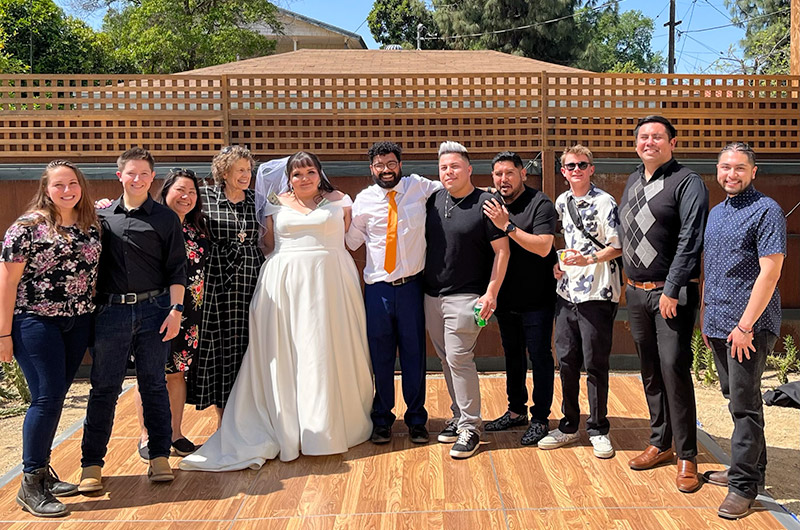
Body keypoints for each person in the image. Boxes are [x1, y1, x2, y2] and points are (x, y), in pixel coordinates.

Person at [179, 152, 373, 471]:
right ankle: (288, 425)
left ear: (319, 173)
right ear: (289, 178)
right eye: (297, 174)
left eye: (310, 171)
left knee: (325, 351)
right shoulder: (274, 202)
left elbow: (352, 240)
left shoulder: (341, 200)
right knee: (288, 353)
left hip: (332, 282)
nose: (305, 178)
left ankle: (336, 424)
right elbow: (267, 244)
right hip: (284, 284)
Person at [79, 147, 186, 492]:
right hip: (111, 313)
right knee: (104, 389)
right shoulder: (102, 217)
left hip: (155, 311)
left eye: (144, 174)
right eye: (131, 173)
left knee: (153, 385)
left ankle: (158, 457)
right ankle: (91, 465)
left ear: (152, 178)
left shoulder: (165, 218)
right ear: (119, 176)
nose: (137, 179)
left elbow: (177, 269)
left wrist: (176, 311)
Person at [0, 161, 101, 517]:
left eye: (73, 183)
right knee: (44, 398)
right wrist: (3, 334)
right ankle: (30, 483)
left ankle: (44, 472)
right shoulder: (26, 229)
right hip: (35, 322)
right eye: (59, 185)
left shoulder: (91, 226)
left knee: (56, 396)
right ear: (46, 189)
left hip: (77, 322)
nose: (67, 190)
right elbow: (7, 283)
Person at [619, 116, 708, 493]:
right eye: (643, 137)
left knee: (674, 369)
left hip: (671, 295)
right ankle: (660, 441)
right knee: (651, 370)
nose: (649, 142)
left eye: (657, 136)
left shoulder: (687, 182)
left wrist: (671, 288)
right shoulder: (634, 179)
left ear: (673, 141)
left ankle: (687, 455)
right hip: (637, 293)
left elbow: (691, 238)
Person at [701, 143, 785, 520]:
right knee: (737, 400)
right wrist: (707, 317)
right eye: (724, 168)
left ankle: (744, 487)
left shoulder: (767, 211)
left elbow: (770, 273)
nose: (730, 175)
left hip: (748, 327)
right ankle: (749, 470)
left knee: (745, 405)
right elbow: (712, 268)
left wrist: (745, 325)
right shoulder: (717, 213)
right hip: (718, 323)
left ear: (754, 171)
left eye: (738, 168)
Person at [346, 141, 442, 445]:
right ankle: (382, 419)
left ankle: (416, 419)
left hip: (412, 287)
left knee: (414, 355)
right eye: (379, 165)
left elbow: (454, 186)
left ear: (400, 164)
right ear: (371, 168)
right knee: (381, 357)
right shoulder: (363, 200)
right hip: (378, 291)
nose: (386, 170)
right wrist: (338, 212)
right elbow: (351, 243)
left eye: (391, 163)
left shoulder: (419, 188)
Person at [425, 141, 509, 460]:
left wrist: (491, 292)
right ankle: (459, 415)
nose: (449, 172)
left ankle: (472, 426)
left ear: (469, 169)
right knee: (447, 359)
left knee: (460, 358)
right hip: (432, 295)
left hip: (468, 296)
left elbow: (502, 251)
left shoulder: (486, 203)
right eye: (444, 167)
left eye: (455, 166)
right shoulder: (433, 200)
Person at [537, 145, 622, 458]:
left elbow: (617, 246)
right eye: (570, 166)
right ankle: (570, 424)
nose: (575, 170)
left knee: (595, 362)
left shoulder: (604, 203)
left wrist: (588, 260)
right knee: (567, 359)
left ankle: (598, 428)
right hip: (567, 292)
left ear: (591, 169)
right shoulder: (562, 202)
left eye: (581, 165)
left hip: (597, 292)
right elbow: (563, 238)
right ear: (563, 171)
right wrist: (559, 265)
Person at [132, 169, 210, 460]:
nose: (186, 197)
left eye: (192, 192)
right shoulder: (149, 223)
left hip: (189, 314)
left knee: (177, 375)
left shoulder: (196, 229)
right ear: (165, 192)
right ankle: (148, 435)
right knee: (150, 375)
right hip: (155, 310)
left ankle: (175, 434)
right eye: (180, 190)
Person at [192, 146, 264, 426]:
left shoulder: (257, 201)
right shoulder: (204, 198)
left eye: (248, 170)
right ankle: (224, 419)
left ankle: (251, 416)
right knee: (221, 347)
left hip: (250, 279)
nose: (246, 175)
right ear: (224, 172)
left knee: (248, 344)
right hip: (217, 283)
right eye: (240, 170)